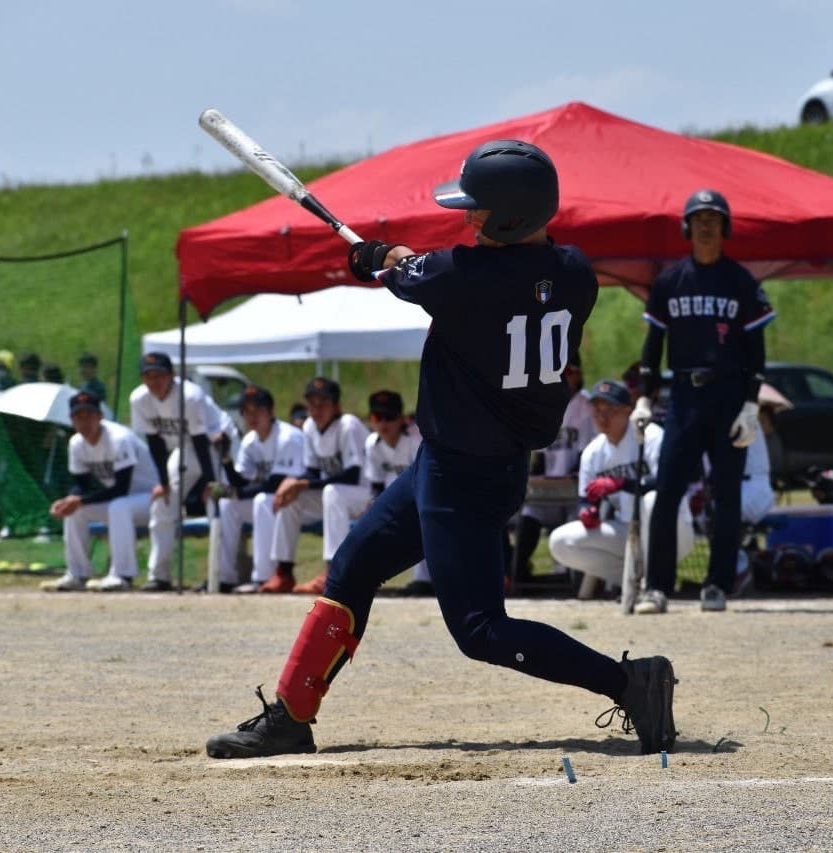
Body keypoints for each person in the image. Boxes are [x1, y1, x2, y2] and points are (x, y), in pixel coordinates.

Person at [206, 138, 676, 760]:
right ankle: (291, 716)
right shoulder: (574, 273)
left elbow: (392, 269)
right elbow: (430, 271)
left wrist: (377, 254)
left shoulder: (460, 277)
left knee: (480, 630)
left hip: (464, 477)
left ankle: (628, 682)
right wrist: (394, 261)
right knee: (353, 568)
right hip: (465, 466)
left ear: (511, 216)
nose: (468, 217)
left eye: (479, 209)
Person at [634, 189, 775, 614]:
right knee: (667, 490)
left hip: (728, 395)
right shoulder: (669, 281)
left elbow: (757, 352)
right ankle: (656, 587)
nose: (706, 226)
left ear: (725, 226)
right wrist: (644, 399)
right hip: (683, 395)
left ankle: (717, 585)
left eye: (713, 219)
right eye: (699, 219)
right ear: (687, 227)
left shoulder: (741, 282)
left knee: (727, 494)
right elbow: (653, 344)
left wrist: (751, 405)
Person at [547, 379, 697, 600]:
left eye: (610, 409)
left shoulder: (651, 436)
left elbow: (667, 483)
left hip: (672, 531)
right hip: (627, 531)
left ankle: (653, 582)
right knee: (560, 542)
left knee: (652, 500)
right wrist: (587, 511)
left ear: (629, 409)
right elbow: (585, 499)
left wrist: (622, 484)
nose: (602, 417)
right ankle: (635, 583)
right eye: (597, 410)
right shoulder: (593, 452)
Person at [40, 391, 157, 592]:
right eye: (79, 416)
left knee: (118, 506)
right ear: (71, 420)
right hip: (123, 503)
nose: (84, 421)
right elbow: (82, 486)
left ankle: (122, 576)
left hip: (153, 500)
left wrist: (79, 500)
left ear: (100, 416)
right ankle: (77, 574)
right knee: (75, 510)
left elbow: (121, 489)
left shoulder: (119, 439)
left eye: (89, 415)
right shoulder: (76, 444)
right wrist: (69, 500)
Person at [261, 377, 368, 594]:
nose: (316, 409)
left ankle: (334, 573)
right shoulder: (309, 426)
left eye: (323, 403)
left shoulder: (348, 425)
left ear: (336, 406)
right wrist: (292, 482)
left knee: (330, 491)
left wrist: (303, 482)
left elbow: (352, 475)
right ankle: (284, 572)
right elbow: (312, 471)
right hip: (337, 498)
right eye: (312, 403)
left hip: (367, 495)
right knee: (292, 496)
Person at [128, 351, 220, 592]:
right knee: (162, 502)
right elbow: (155, 441)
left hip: (216, 444)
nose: (154, 381)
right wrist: (164, 482)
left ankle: (221, 575)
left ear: (171, 375)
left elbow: (201, 441)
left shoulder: (190, 396)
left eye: (159, 375)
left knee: (217, 505)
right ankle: (159, 575)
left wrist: (210, 482)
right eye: (148, 376)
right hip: (185, 449)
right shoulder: (139, 399)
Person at [210, 386, 306, 593]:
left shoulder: (288, 437)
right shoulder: (250, 440)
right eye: (246, 411)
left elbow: (275, 484)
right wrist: (225, 457)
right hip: (273, 502)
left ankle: (263, 577)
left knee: (262, 500)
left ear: (270, 411)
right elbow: (240, 482)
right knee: (227, 503)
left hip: (299, 503)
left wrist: (235, 492)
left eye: (258, 410)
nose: (252, 416)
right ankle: (224, 578)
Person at [512, 351, 595, 585]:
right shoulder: (544, 405)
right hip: (546, 493)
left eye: (567, 372)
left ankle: (572, 581)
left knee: (573, 525)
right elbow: (538, 457)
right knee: (528, 518)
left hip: (573, 493)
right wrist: (536, 477)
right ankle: (518, 579)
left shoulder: (586, 405)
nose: (563, 377)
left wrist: (569, 478)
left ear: (578, 375)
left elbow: (585, 454)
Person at [357, 390, 432, 595]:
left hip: (427, 493)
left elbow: (426, 479)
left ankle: (425, 579)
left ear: (402, 419)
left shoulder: (416, 438)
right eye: (377, 417)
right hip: (398, 498)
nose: (383, 423)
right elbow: (376, 485)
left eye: (389, 417)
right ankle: (365, 576)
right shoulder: (372, 443)